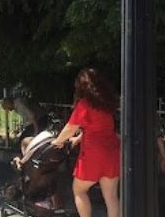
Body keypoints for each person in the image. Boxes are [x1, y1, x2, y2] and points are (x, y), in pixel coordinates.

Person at [51, 68, 120, 217]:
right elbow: (99, 128)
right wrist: (78, 138)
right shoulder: (106, 104)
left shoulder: (85, 104)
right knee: (111, 197)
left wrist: (58, 141)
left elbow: (70, 127)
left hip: (92, 155)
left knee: (79, 190)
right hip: (112, 152)